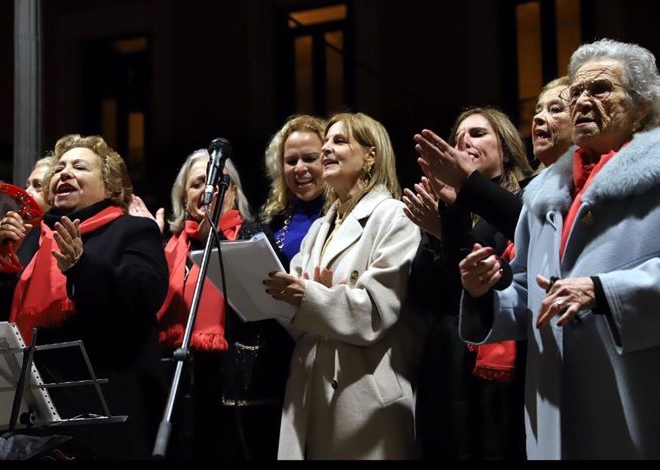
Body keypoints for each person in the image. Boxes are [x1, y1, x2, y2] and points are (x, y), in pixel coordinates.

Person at [458, 38, 660, 459]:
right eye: (577, 92)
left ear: (642, 106)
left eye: (601, 90)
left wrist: (604, 291)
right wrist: (484, 292)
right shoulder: (544, 193)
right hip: (552, 398)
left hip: (634, 393)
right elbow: (526, 293)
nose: (583, 101)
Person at [0, 134, 169, 459]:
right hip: (30, 421)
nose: (64, 173)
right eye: (59, 168)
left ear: (110, 186)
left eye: (79, 167)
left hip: (104, 416)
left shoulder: (133, 230)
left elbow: (145, 292)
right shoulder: (30, 241)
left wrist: (81, 268)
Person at [264, 112, 422, 459]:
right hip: (311, 391)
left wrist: (311, 297)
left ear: (371, 154)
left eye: (340, 141)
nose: (326, 151)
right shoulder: (321, 227)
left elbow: (376, 313)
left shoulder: (394, 216)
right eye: (326, 143)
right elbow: (298, 314)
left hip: (364, 397)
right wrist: (272, 298)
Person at [403, 107, 533, 460]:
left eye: (477, 133)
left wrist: (447, 230)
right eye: (458, 138)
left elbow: (498, 280)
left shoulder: (523, 201)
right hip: (447, 359)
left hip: (502, 359)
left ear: (505, 149)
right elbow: (426, 294)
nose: (464, 142)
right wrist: (442, 226)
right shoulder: (448, 206)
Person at [153, 149, 293, 460]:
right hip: (184, 391)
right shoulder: (170, 247)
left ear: (234, 192)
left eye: (217, 182)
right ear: (183, 195)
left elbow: (278, 309)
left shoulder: (253, 235)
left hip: (241, 392)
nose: (206, 190)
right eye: (197, 183)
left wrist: (221, 244)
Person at [260, 114, 327, 263]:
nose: (299, 168)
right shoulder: (275, 218)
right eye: (291, 161)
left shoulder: (343, 215)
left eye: (310, 158)